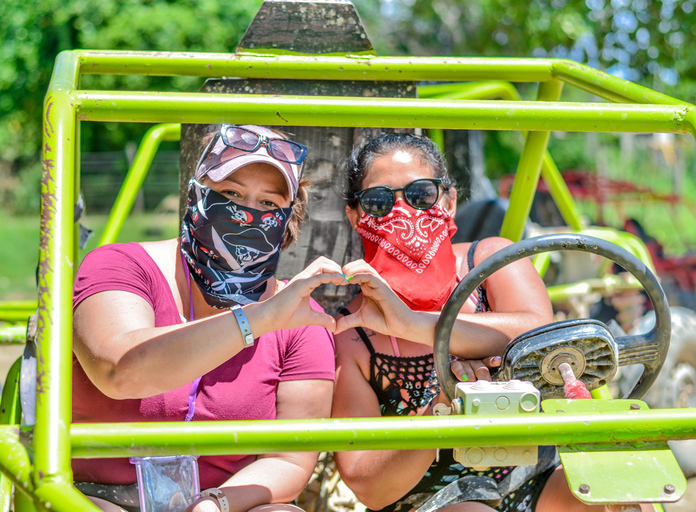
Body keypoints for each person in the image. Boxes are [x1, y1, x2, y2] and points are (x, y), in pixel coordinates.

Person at [331, 133, 653, 512]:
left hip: (536, 477)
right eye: (380, 201)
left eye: (421, 195)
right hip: (430, 501)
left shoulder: (490, 262)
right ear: (355, 216)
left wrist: (407, 323)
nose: (404, 213)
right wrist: (443, 406)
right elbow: (369, 486)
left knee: (618, 494)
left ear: (449, 201)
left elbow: (536, 334)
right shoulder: (352, 335)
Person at [71, 124, 348, 512]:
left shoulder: (302, 320)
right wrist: (257, 320)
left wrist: (215, 503)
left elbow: (289, 459)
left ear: (288, 220)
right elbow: (118, 371)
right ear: (196, 196)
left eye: (268, 204)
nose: (245, 215)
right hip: (96, 496)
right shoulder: (120, 267)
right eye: (230, 194)